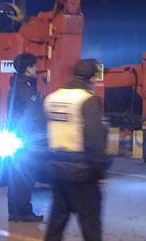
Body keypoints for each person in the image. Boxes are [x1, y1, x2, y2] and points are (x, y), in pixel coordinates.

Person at [44, 59, 110, 241]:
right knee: (91, 226)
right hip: (82, 173)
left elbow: (43, 134)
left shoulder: (52, 98)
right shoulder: (87, 100)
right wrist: (100, 173)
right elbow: (94, 140)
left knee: (56, 225)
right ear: (92, 78)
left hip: (57, 170)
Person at [7, 52, 46, 222]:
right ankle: (22, 212)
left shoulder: (19, 85)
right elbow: (32, 116)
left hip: (19, 138)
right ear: (28, 69)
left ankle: (16, 211)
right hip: (27, 140)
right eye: (34, 66)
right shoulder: (26, 89)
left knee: (17, 176)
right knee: (25, 177)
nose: (36, 69)